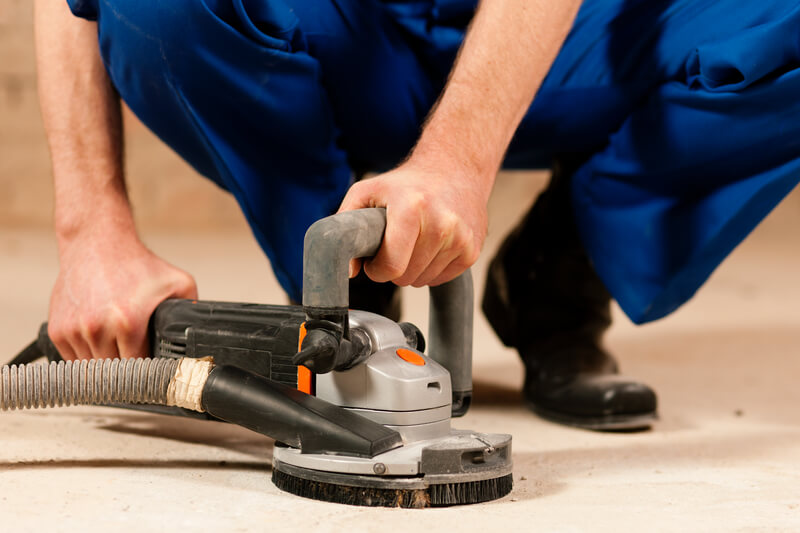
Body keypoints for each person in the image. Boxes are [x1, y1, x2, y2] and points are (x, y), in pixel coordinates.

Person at [35, 0, 800, 431]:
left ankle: (556, 282)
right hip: (341, 32)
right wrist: (90, 228)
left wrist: (459, 158)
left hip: (566, 37)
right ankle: (347, 306)